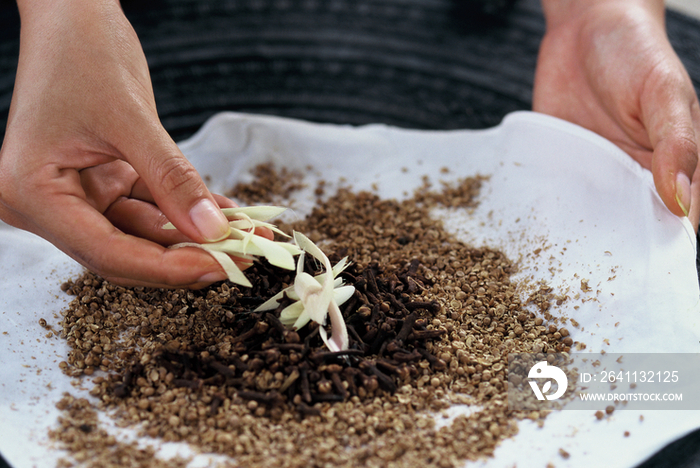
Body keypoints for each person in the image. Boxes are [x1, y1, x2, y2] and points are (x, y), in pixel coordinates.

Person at [0, 0, 697, 289]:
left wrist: (598, 14)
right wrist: (65, 15)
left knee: (643, 385)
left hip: (454, 30)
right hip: (122, 33)